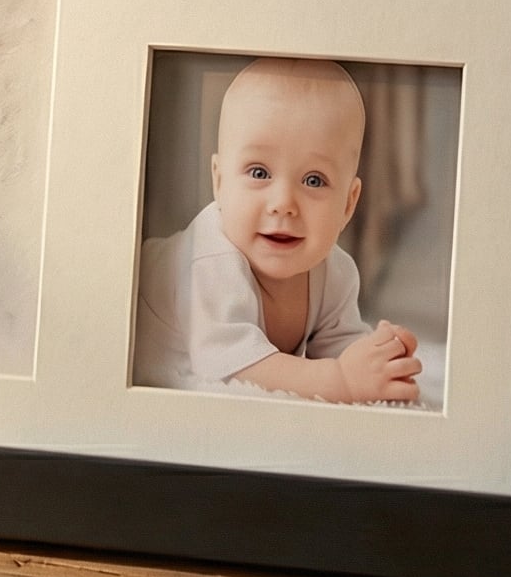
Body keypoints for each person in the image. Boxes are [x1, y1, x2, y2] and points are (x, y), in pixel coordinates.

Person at [134, 58, 421, 403]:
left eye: (314, 180)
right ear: (220, 181)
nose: (283, 202)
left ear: (348, 202)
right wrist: (340, 379)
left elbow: (337, 346)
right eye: (259, 173)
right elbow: (233, 369)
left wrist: (377, 357)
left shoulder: (336, 273)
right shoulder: (210, 261)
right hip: (123, 287)